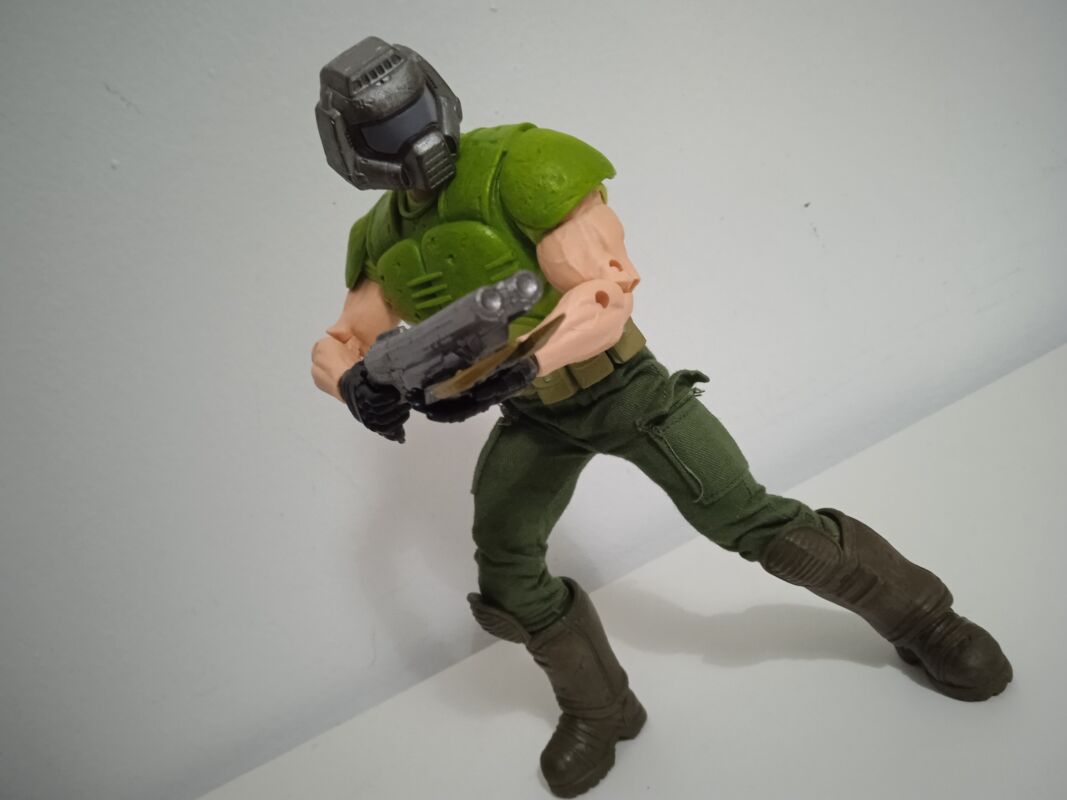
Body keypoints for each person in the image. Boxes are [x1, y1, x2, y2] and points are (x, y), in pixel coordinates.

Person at [310, 37, 1012, 799]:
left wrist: (525, 362)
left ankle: (924, 621)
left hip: (626, 391)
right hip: (533, 418)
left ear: (438, 97)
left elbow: (604, 294)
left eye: (414, 112)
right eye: (384, 130)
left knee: (749, 520)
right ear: (350, 148)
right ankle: (601, 709)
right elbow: (342, 340)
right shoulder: (381, 238)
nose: (412, 139)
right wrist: (356, 384)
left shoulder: (523, 168)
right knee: (505, 573)